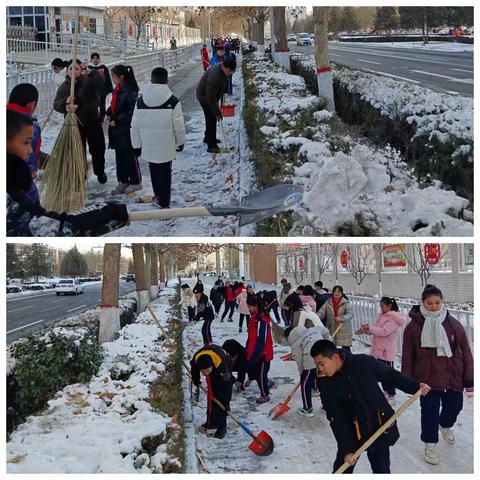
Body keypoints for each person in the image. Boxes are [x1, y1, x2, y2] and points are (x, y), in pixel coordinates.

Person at [311, 340, 431, 473]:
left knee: (381, 469)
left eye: (322, 364)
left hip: (378, 425)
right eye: (317, 365)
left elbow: (390, 375)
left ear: (335, 357)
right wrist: (346, 450)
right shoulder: (326, 383)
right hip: (352, 432)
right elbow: (336, 417)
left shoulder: (363, 363)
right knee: (342, 470)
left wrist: (414, 386)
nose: (319, 369)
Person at [7, 110, 127, 236]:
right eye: (26, 142)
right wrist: (109, 216)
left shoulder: (15, 184)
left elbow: (38, 220)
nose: (30, 149)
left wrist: (105, 214)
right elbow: (49, 231)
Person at [401, 285, 473, 466]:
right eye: (430, 303)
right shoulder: (413, 328)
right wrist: (408, 382)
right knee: (430, 414)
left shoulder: (453, 324)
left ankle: (445, 425)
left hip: (452, 376)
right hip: (427, 379)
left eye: (437, 302)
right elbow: (408, 355)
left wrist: (469, 378)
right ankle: (430, 444)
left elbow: (465, 351)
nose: (434, 306)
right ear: (423, 303)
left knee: (455, 406)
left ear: (442, 302)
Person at [131, 67, 185, 209]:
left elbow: (134, 126)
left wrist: (136, 146)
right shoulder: (173, 101)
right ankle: (165, 201)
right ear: (167, 81)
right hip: (166, 144)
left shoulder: (140, 101)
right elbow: (178, 126)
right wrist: (180, 142)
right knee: (165, 171)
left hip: (148, 144)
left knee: (153, 169)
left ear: (151, 80)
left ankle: (158, 196)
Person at [53, 58, 107, 184]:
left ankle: (100, 171)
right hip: (74, 123)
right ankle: (80, 173)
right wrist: (66, 102)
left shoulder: (88, 81)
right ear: (67, 71)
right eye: (70, 68)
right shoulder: (64, 87)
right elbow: (56, 105)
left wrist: (88, 70)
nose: (73, 71)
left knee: (97, 148)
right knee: (77, 150)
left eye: (76, 68)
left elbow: (100, 80)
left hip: (92, 120)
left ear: (81, 70)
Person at [355, 297, 406, 405]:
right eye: (381, 306)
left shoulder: (393, 318)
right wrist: (366, 330)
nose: (381, 308)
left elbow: (383, 331)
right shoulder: (382, 315)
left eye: (383, 306)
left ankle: (391, 394)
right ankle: (386, 392)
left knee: (388, 373)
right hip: (380, 349)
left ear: (389, 306)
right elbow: (376, 330)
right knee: (381, 373)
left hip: (387, 351)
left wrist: (370, 328)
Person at [106, 64, 142, 195]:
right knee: (120, 156)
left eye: (114, 77)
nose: (112, 79)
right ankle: (123, 180)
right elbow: (115, 106)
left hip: (127, 129)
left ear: (121, 77)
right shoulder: (119, 89)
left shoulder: (130, 91)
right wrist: (108, 113)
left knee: (130, 155)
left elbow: (131, 111)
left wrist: (119, 120)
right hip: (117, 130)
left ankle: (135, 181)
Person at [284, 324, 330, 417]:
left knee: (305, 384)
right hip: (324, 357)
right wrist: (327, 342)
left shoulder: (295, 344)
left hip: (310, 361)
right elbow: (326, 331)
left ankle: (307, 409)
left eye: (287, 338)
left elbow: (299, 361)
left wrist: (302, 376)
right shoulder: (314, 329)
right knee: (321, 382)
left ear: (290, 335)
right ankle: (327, 406)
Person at [190, 344, 234, 439]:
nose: (205, 374)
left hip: (225, 363)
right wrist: (196, 380)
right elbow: (194, 371)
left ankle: (222, 427)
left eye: (207, 371)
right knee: (211, 397)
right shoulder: (196, 360)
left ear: (211, 366)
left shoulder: (221, 364)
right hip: (212, 361)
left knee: (220, 397)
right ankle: (211, 422)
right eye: (203, 372)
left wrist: (226, 403)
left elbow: (227, 386)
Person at [7, 84, 42, 203]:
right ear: (31, 105)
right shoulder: (29, 125)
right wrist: (31, 170)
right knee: (31, 201)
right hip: (20, 175)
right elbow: (28, 153)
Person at [196, 57, 236, 153]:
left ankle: (208, 138)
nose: (230, 74)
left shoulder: (222, 68)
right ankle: (211, 145)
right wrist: (217, 112)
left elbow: (222, 84)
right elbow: (210, 97)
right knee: (212, 118)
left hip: (211, 96)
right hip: (205, 97)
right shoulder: (215, 76)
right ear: (225, 68)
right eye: (230, 71)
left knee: (211, 117)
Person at [245, 295, 274, 404]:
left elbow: (262, 340)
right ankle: (266, 383)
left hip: (263, 353)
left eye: (251, 306)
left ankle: (265, 395)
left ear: (257, 306)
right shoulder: (254, 317)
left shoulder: (262, 319)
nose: (249, 309)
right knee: (259, 373)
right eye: (248, 306)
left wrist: (256, 355)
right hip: (254, 351)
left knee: (261, 375)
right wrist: (247, 348)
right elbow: (251, 336)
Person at [318, 285, 353, 351]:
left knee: (346, 349)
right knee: (332, 349)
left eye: (339, 291)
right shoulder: (328, 302)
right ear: (333, 292)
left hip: (343, 329)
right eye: (335, 291)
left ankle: (348, 360)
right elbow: (321, 312)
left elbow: (350, 314)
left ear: (342, 293)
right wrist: (314, 317)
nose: (337, 293)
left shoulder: (346, 302)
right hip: (331, 328)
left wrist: (342, 318)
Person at [87, 52, 113, 121]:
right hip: (92, 90)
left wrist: (110, 89)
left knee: (102, 104)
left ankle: (102, 118)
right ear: (91, 60)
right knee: (93, 105)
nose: (95, 60)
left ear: (99, 59)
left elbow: (108, 79)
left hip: (102, 90)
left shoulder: (104, 68)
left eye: (97, 58)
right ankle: (94, 118)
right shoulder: (88, 68)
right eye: (93, 58)